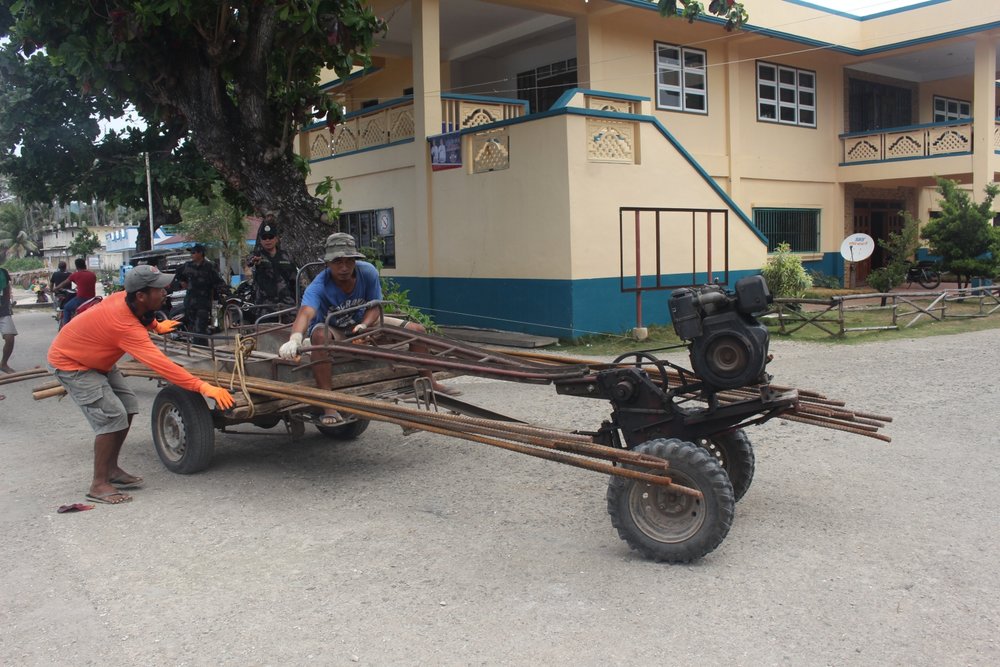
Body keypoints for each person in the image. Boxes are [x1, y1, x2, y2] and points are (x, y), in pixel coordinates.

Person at [47, 265, 235, 505]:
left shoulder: (127, 300)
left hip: (97, 358)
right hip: (72, 363)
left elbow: (143, 316)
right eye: (158, 289)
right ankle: (98, 484)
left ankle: (112, 469)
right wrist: (204, 387)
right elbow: (163, 366)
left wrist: (156, 326)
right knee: (112, 416)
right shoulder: (124, 326)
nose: (165, 291)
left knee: (128, 406)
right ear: (141, 295)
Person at [277, 232, 456, 426]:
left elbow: (374, 307)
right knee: (320, 335)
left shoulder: (368, 272)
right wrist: (295, 338)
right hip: (332, 328)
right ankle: (328, 403)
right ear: (327, 263)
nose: (344, 267)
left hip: (363, 322)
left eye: (349, 261)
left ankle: (429, 383)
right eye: (337, 262)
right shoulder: (318, 286)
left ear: (355, 260)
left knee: (418, 331)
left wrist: (363, 326)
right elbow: (306, 313)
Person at [171, 243, 229, 342]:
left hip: (203, 302)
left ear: (200, 253)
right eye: (191, 253)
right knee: (193, 325)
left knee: (201, 326)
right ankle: (195, 344)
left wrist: (222, 291)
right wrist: (182, 282)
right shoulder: (187, 266)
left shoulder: (209, 267)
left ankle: (201, 346)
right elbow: (178, 275)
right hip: (190, 301)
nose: (192, 255)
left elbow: (218, 282)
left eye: (194, 252)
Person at [246, 221, 299, 320]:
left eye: (270, 237)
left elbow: (295, 282)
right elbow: (249, 261)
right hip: (265, 310)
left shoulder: (287, 257)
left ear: (276, 238)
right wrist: (254, 262)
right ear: (260, 240)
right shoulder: (257, 255)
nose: (267, 240)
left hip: (288, 309)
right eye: (264, 237)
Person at [55, 258, 97, 326]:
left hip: (81, 299)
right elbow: (86, 284)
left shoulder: (75, 275)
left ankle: (66, 328)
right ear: (85, 265)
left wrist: (55, 288)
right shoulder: (92, 274)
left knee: (66, 308)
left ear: (76, 266)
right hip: (92, 299)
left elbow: (64, 283)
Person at [0, 265, 16, 373]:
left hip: (3, 310)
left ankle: (4, 364)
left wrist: (9, 305)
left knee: (10, 338)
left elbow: (7, 289)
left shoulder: (3, 272)